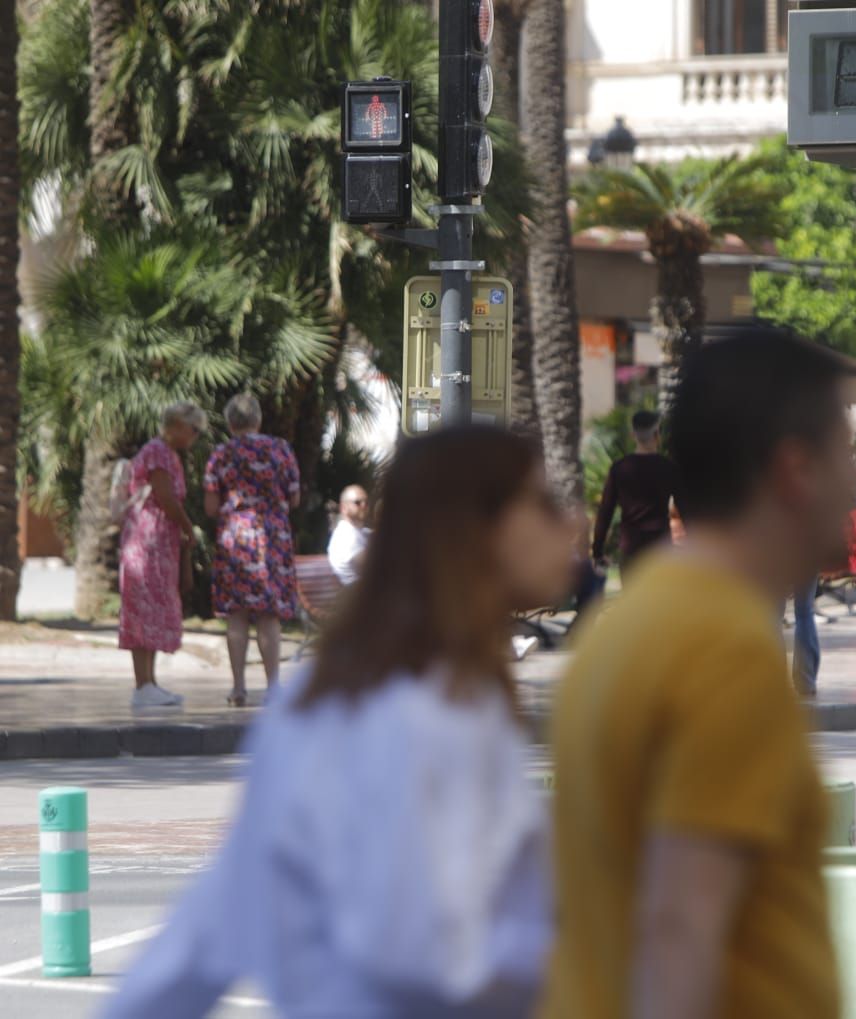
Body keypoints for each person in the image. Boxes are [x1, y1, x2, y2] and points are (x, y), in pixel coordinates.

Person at [103, 427, 572, 1019]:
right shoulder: (415, 712)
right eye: (544, 503)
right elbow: (420, 950)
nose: (570, 522)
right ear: (480, 530)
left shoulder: (392, 695)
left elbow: (214, 920)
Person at [544, 324, 855, 1019]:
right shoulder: (727, 652)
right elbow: (679, 928)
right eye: (848, 450)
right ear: (796, 469)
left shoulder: (622, 628)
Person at [203, 394, 301, 707]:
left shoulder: (220, 454)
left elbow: (210, 506)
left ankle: (238, 688)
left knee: (237, 615)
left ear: (230, 422)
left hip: (235, 539)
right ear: (258, 419)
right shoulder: (280, 449)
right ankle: (273, 687)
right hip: (272, 538)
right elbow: (295, 498)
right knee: (269, 616)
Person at [119, 402, 207, 709]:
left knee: (153, 608)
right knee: (144, 609)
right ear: (178, 426)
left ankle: (149, 684)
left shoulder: (167, 454)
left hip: (158, 543)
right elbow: (165, 496)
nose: (196, 436)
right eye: (194, 429)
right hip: (148, 541)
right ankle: (142, 684)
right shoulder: (158, 452)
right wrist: (187, 527)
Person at [591, 409, 683, 575]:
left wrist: (597, 552)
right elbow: (685, 508)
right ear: (657, 434)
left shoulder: (619, 469)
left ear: (633, 435)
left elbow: (605, 513)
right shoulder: (669, 468)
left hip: (631, 549)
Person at [327, 484, 370, 584]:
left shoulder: (361, 532)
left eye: (366, 502)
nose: (364, 505)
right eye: (358, 502)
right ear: (343, 508)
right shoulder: (345, 537)